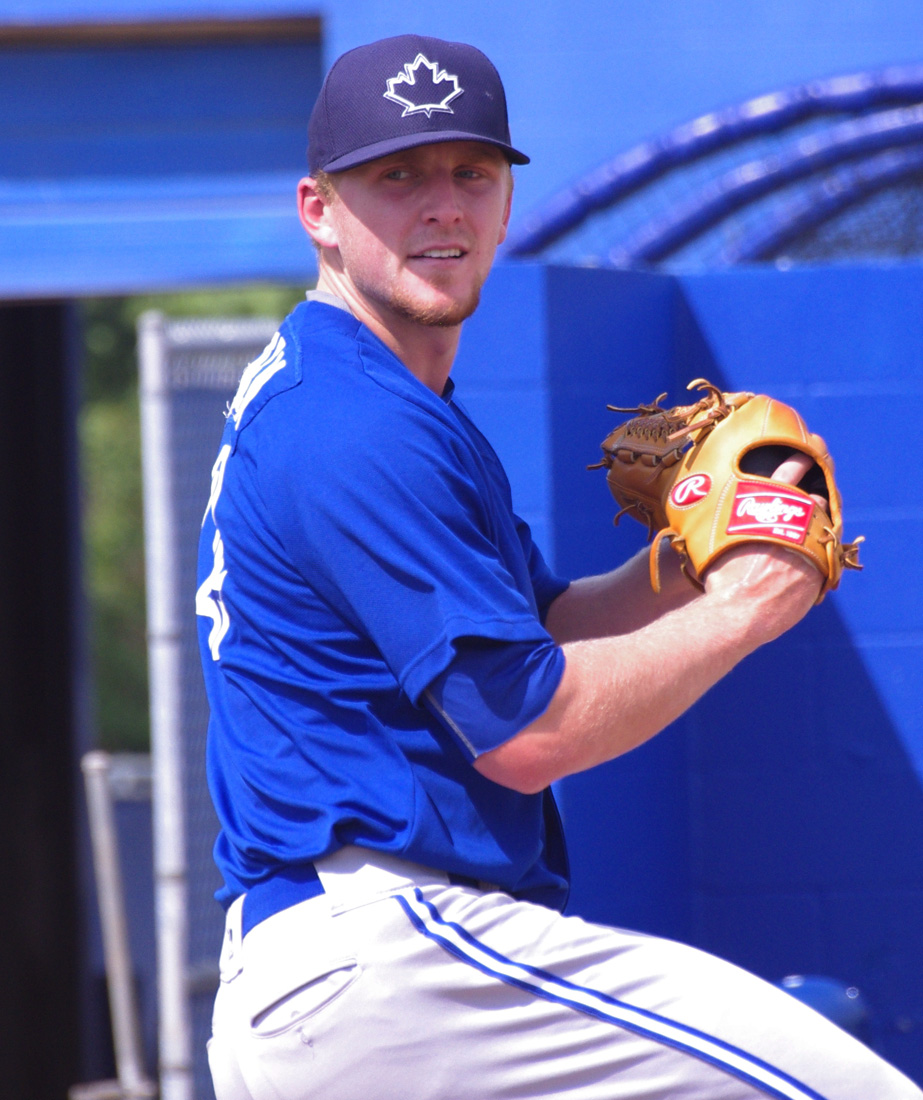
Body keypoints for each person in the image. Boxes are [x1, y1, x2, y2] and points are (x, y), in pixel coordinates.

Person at [196, 33, 922, 1100]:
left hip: (341, 977)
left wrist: (686, 560)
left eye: (470, 173)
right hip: (399, 955)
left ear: (499, 203)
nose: (441, 204)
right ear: (318, 209)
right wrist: (742, 608)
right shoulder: (352, 424)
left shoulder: (376, 396)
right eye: (396, 176)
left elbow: (544, 625)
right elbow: (527, 729)